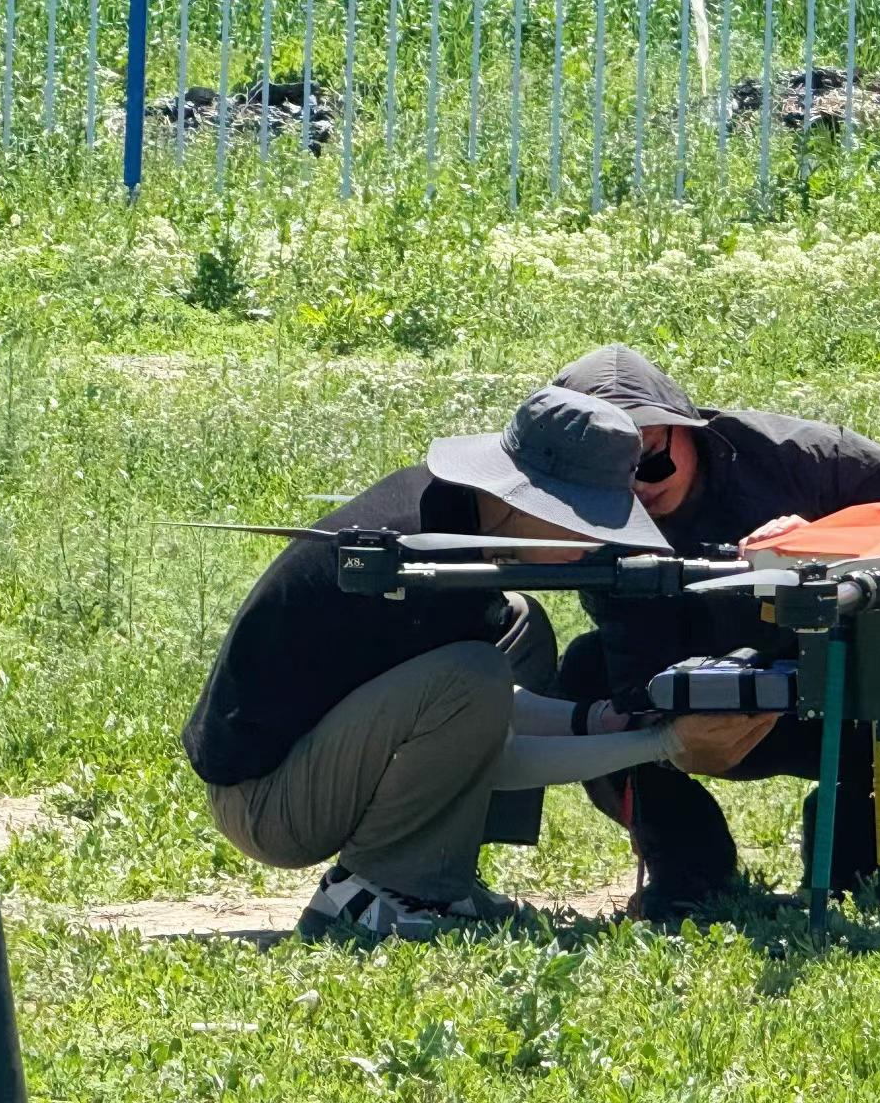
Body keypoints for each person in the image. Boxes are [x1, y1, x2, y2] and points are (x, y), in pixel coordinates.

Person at [181, 386, 776, 941]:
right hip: (268, 802)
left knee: (519, 628)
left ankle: (443, 874)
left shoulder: (455, 521)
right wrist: (663, 742)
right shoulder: (419, 566)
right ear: (531, 502)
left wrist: (600, 721)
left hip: (308, 760)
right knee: (474, 676)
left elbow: (486, 723)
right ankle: (378, 893)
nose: (598, 542)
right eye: (588, 521)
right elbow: (498, 750)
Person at [550, 344, 880, 916]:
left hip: (833, 688)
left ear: (686, 428)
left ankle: (847, 855)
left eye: (649, 460)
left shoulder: (788, 453)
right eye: (606, 477)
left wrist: (830, 539)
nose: (635, 486)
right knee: (584, 673)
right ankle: (689, 868)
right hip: (667, 699)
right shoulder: (559, 501)